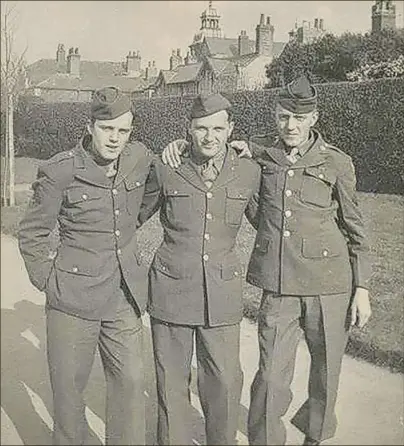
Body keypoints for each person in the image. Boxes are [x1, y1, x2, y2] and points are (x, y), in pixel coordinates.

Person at [161, 75, 372, 446]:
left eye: (298, 118)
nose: (290, 126)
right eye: (282, 117)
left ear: (313, 119)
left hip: (330, 283)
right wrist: (179, 143)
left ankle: (316, 436)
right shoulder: (259, 153)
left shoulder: (336, 162)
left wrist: (363, 287)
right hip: (278, 284)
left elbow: (355, 227)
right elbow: (215, 149)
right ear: (274, 117)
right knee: (271, 376)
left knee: (326, 372)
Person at [18, 86, 154, 445]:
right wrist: (49, 281)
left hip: (123, 297)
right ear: (90, 126)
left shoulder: (139, 157)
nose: (115, 138)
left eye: (123, 131)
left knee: (131, 383)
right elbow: (32, 233)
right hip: (72, 301)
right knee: (68, 395)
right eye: (108, 128)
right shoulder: (62, 170)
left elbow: (152, 192)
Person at [137, 93, 261, 445]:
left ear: (231, 129)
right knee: (172, 384)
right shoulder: (166, 167)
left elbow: (266, 223)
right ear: (188, 131)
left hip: (222, 294)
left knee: (223, 383)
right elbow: (131, 218)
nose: (210, 137)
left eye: (218, 128)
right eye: (201, 128)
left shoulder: (248, 171)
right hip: (171, 291)